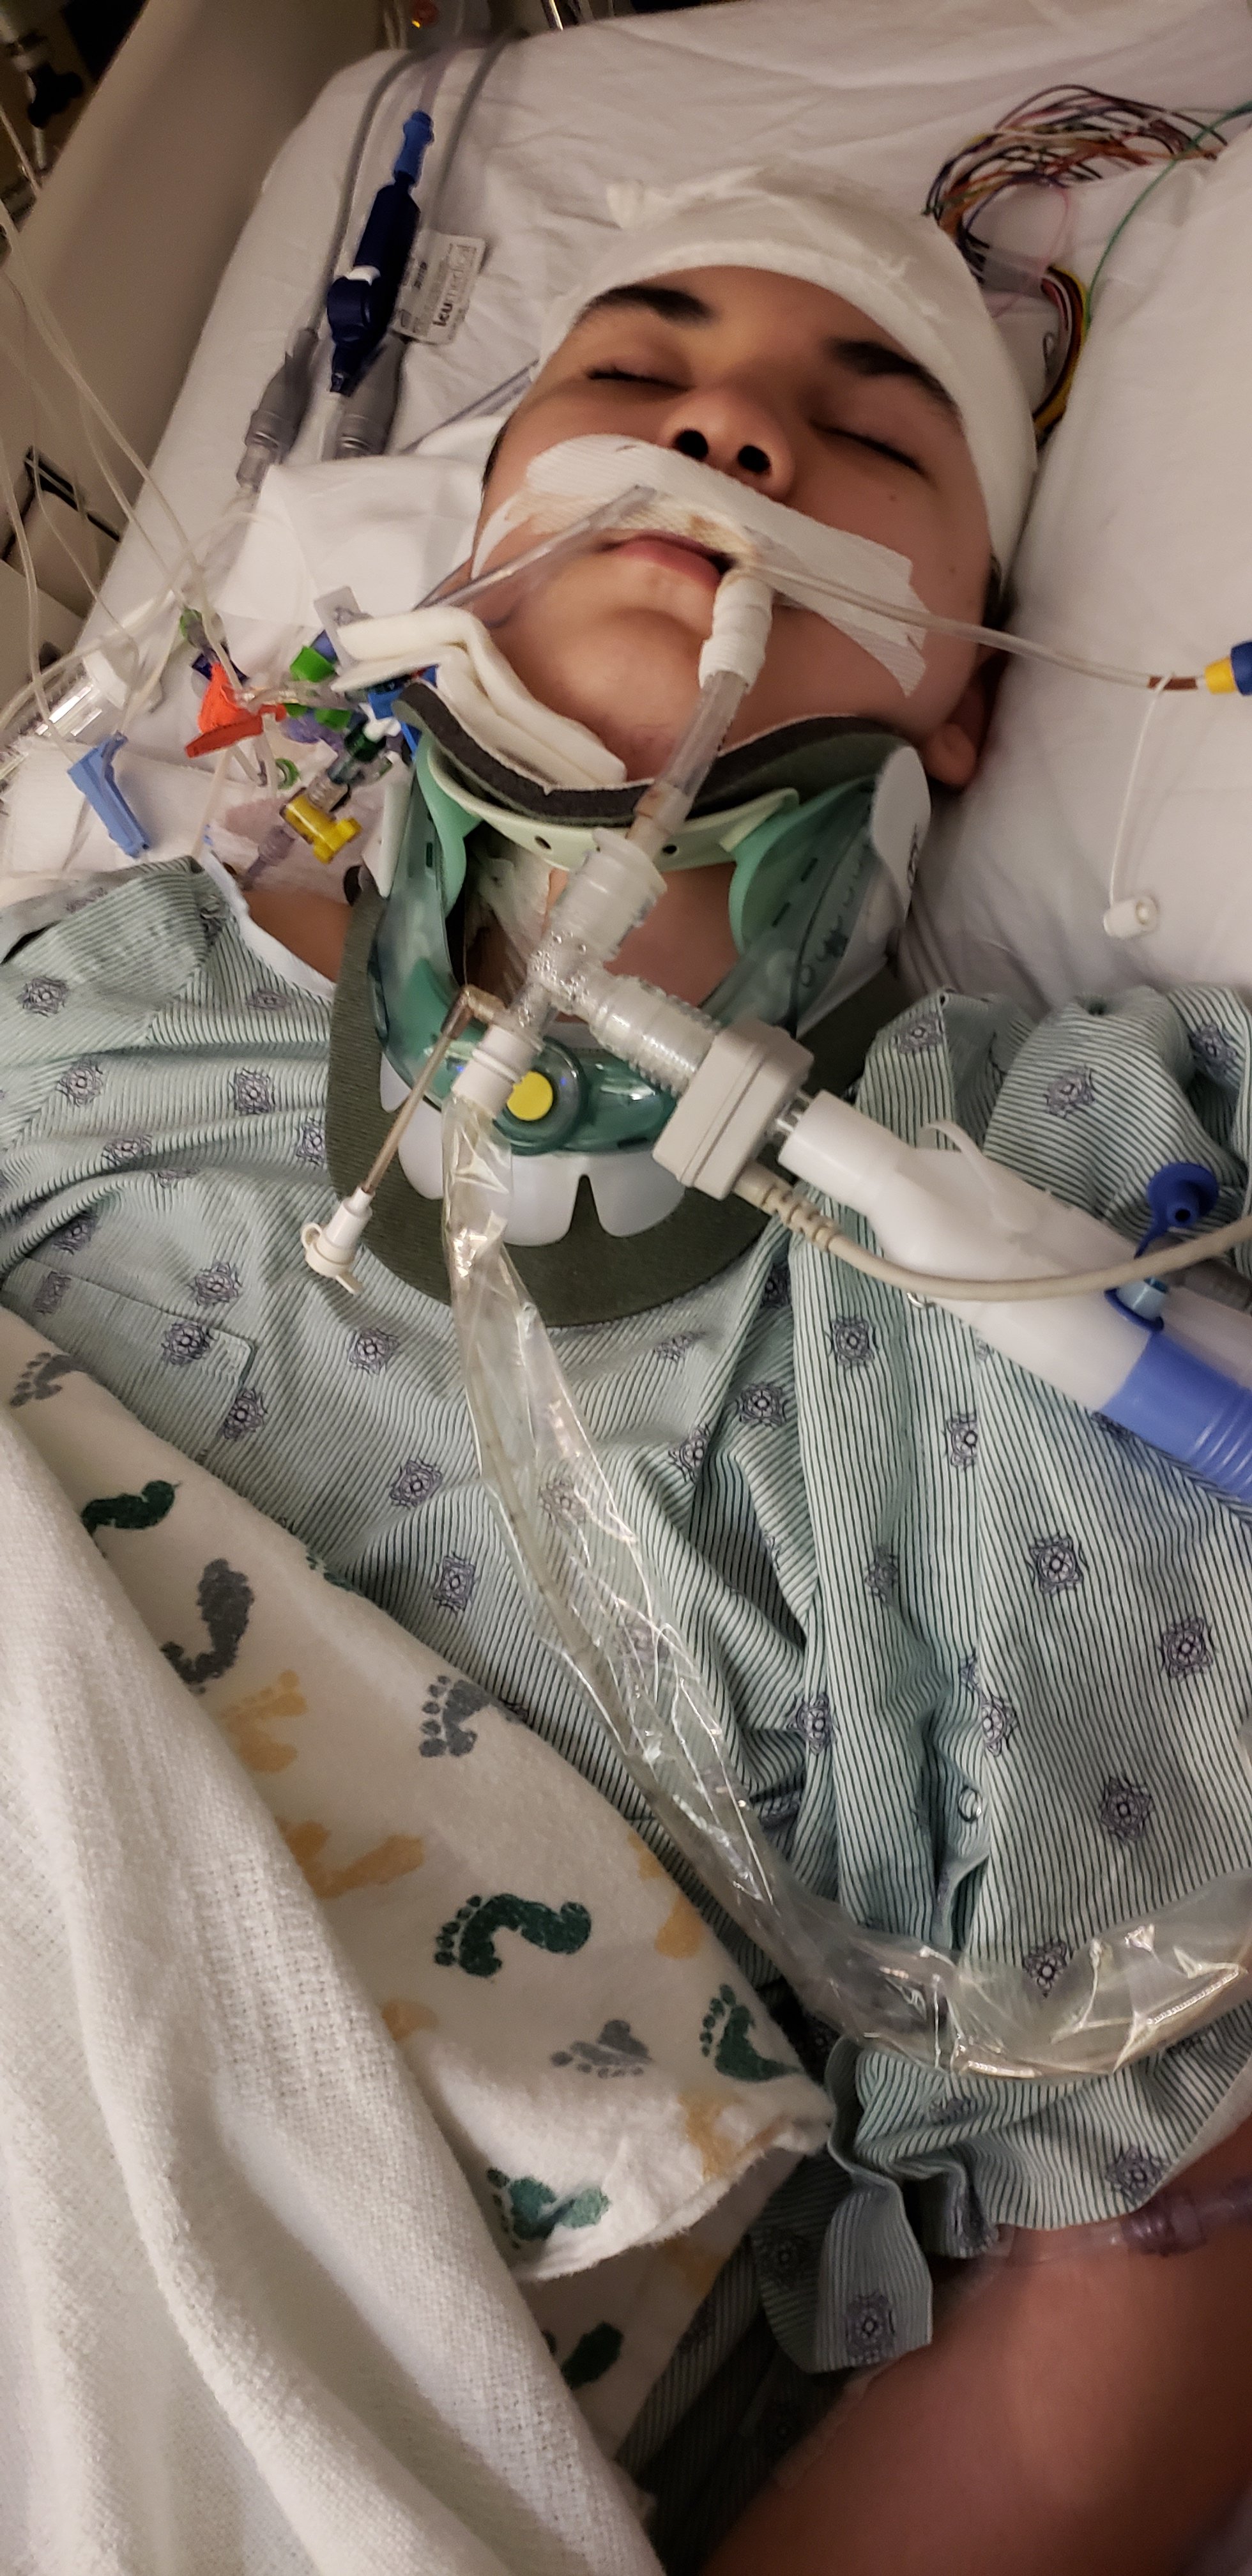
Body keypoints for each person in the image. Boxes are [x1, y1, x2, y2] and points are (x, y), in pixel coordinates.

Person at [3, 168, 1252, 2576]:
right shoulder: (82, 1005)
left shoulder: (1027, 1248)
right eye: (634, 370)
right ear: (478, 545)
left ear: (968, 690)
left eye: (866, 430)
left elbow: (1141, 2261)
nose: (732, 435)